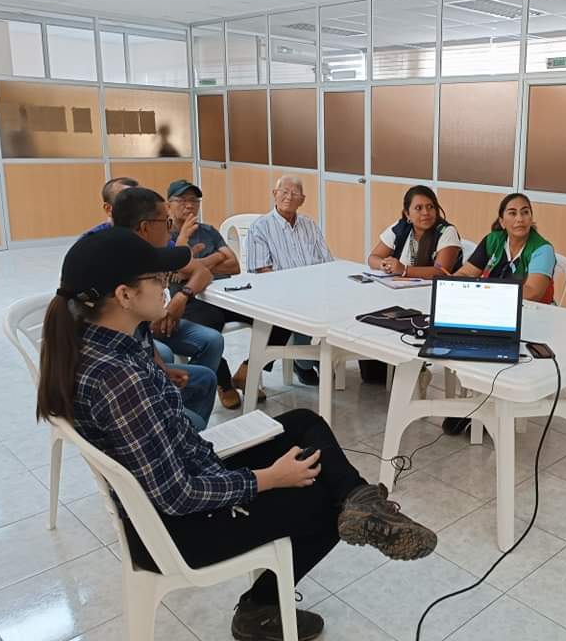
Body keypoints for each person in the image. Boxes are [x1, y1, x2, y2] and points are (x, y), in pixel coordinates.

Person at [36, 228, 437, 641]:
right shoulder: (119, 380)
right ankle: (260, 609)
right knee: (323, 500)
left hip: (187, 475)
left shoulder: (102, 340)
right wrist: (267, 479)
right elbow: (177, 495)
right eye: (157, 279)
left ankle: (364, 504)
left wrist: (163, 377)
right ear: (123, 295)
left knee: (303, 423)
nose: (166, 286)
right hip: (178, 530)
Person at [442, 192, 558, 435]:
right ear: (502, 220)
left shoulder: (542, 249)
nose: (520, 219)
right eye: (512, 213)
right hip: (494, 314)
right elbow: (467, 273)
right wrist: (455, 283)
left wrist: (484, 293)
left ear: (531, 218)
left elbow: (533, 292)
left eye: (525, 212)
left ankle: (484, 407)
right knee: (458, 337)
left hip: (533, 320)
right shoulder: (493, 240)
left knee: (487, 343)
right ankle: (477, 401)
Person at [166, 179, 288, 409]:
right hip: (193, 299)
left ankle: (248, 370)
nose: (189, 205)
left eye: (194, 200)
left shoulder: (208, 231)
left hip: (227, 293)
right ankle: (224, 384)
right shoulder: (165, 237)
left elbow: (234, 266)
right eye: (182, 200)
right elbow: (177, 270)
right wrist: (215, 259)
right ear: (168, 205)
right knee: (210, 334)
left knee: (279, 316)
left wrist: (197, 265)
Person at [112, 187, 223, 429]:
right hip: (131, 369)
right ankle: (178, 422)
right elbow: (131, 340)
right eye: (166, 222)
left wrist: (178, 300)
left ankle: (181, 420)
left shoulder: (157, 252)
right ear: (145, 227)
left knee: (207, 361)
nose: (164, 287)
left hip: (149, 334)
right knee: (165, 355)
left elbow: (202, 271)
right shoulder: (118, 265)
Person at [241, 176, 335, 389]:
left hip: (313, 287)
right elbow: (262, 270)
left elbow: (327, 261)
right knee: (299, 306)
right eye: (283, 191)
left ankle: (320, 356)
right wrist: (293, 288)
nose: (289, 197)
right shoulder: (261, 227)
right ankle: (303, 362)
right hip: (278, 290)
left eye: (294, 193)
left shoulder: (309, 224)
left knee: (334, 300)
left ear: (302, 199)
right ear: (274, 194)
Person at [367, 185, 462, 278]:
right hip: (400, 286)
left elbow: (441, 272)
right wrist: (383, 264)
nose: (426, 212)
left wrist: (404, 270)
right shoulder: (401, 227)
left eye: (430, 207)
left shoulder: (447, 231)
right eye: (418, 208)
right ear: (407, 214)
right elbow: (373, 257)